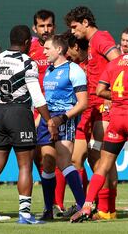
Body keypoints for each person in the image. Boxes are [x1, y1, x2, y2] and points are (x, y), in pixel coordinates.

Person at [70, 26, 128, 223]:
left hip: (116, 117)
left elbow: (100, 90)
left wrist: (120, 98)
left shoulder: (114, 63)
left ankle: (87, 205)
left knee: (103, 165)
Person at [0, 25, 58, 224]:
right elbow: (37, 97)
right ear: (28, 42)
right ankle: (25, 214)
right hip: (19, 113)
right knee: (24, 166)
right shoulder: (27, 62)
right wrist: (49, 121)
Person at [65, 6, 121, 220]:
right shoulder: (92, 43)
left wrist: (111, 96)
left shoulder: (100, 38)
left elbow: (118, 62)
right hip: (94, 107)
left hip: (104, 106)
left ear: (86, 22)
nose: (73, 31)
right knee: (94, 159)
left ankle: (106, 210)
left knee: (101, 159)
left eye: (74, 26)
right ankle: (104, 208)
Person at [38, 35, 87, 221]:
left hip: (64, 120)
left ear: (59, 50)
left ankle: (83, 207)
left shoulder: (74, 70)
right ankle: (48, 209)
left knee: (65, 162)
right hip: (46, 120)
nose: (43, 52)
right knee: (48, 163)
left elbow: (83, 103)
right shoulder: (49, 70)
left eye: (47, 48)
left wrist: (62, 118)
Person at [29, 9, 66, 214]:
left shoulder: (62, 48)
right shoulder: (30, 48)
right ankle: (49, 204)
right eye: (42, 26)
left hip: (58, 111)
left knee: (59, 158)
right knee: (39, 159)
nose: (46, 29)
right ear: (35, 28)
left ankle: (57, 204)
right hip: (35, 111)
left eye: (49, 25)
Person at [63, 31, 90, 199]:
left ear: (75, 47)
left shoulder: (94, 61)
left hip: (96, 116)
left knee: (99, 162)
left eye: (68, 50)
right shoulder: (77, 65)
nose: (66, 54)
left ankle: (98, 205)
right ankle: (85, 202)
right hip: (82, 117)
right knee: (76, 160)